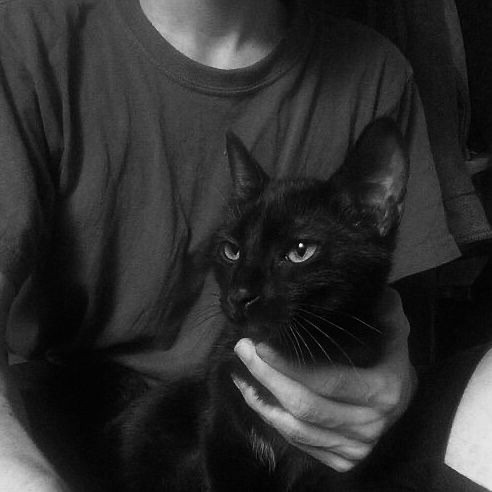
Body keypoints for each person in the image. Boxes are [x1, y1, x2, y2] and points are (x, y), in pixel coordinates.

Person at [0, 0, 460, 489]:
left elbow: (404, 319)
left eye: (297, 252)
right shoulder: (29, 38)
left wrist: (396, 386)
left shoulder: (376, 70)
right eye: (233, 252)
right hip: (93, 420)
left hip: (308, 418)